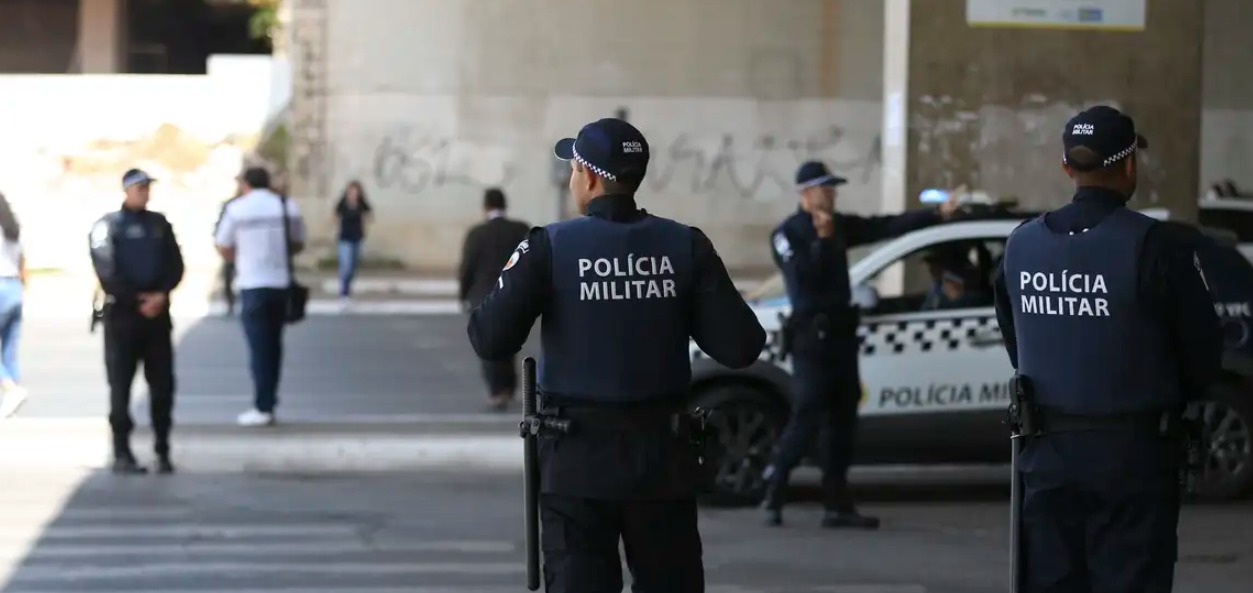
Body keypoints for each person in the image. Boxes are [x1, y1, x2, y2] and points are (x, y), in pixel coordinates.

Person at [467, 117, 766, 593]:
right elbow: (742, 346)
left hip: (577, 463)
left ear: (587, 178)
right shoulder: (685, 245)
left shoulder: (550, 247)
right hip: (662, 462)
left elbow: (489, 338)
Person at [993, 105, 1223, 593]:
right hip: (1133, 459)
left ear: (1065, 167)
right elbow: (1203, 355)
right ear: (1130, 166)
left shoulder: (1020, 245)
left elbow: (1018, 343)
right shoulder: (1157, 246)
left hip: (1046, 458)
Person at [761, 161, 961, 528]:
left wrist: (935, 216)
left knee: (842, 420)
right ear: (805, 193)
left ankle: (837, 504)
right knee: (807, 414)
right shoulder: (788, 234)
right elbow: (803, 278)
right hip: (810, 340)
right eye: (825, 189)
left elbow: (884, 226)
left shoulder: (839, 226)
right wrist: (821, 242)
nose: (831, 195)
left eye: (833, 188)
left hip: (841, 338)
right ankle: (774, 490)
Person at [88, 169, 185, 474]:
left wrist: (161, 294)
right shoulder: (108, 225)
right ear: (127, 190)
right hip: (124, 318)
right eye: (139, 188)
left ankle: (162, 449)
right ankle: (121, 451)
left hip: (157, 318)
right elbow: (106, 270)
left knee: (163, 387)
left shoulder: (160, 224)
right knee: (120, 386)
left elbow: (176, 264)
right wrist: (136, 299)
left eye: (147, 188)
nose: (144, 193)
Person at [214, 167, 306, 427]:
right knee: (274, 347)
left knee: (258, 348)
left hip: (252, 285)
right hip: (280, 283)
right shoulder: (286, 206)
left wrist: (241, 259)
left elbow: (222, 244)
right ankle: (269, 401)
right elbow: (298, 241)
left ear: (245, 184)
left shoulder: (237, 209)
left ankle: (262, 405)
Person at [458, 187, 531, 411]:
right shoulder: (520, 229)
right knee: (510, 343)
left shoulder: (476, 234)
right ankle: (509, 386)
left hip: (483, 295)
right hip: (515, 293)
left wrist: (463, 295)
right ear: (504, 205)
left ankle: (498, 391)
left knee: (488, 346)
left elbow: (467, 268)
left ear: (486, 207)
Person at [0, 191, 27, 418]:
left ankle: (11, 389)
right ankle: (11, 397)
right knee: (9, 349)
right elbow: (22, 262)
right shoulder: (12, 230)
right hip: (14, 287)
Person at [334, 180, 372, 301]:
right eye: (351, 191)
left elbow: (369, 214)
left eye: (355, 192)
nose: (353, 194)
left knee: (353, 267)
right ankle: (343, 292)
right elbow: (335, 214)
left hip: (357, 238)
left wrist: (365, 221)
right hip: (344, 238)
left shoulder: (361, 204)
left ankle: (347, 289)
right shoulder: (343, 204)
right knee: (346, 266)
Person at [215, 190, 243, 316]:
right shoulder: (230, 206)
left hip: (243, 247)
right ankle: (230, 302)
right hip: (231, 246)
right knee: (228, 276)